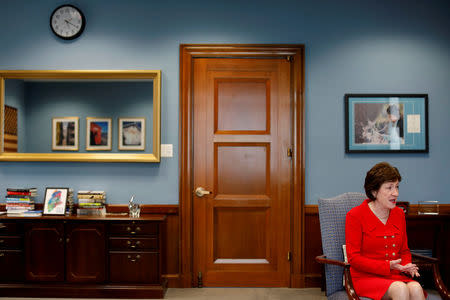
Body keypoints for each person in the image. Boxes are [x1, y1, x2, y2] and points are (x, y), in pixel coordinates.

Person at [345, 162, 425, 300]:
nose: (396, 193)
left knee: (416, 288)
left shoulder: (399, 214)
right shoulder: (355, 215)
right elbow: (354, 258)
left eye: (397, 187)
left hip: (394, 275)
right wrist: (386, 266)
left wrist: (406, 266)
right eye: (389, 188)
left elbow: (404, 251)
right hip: (364, 277)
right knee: (400, 289)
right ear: (374, 191)